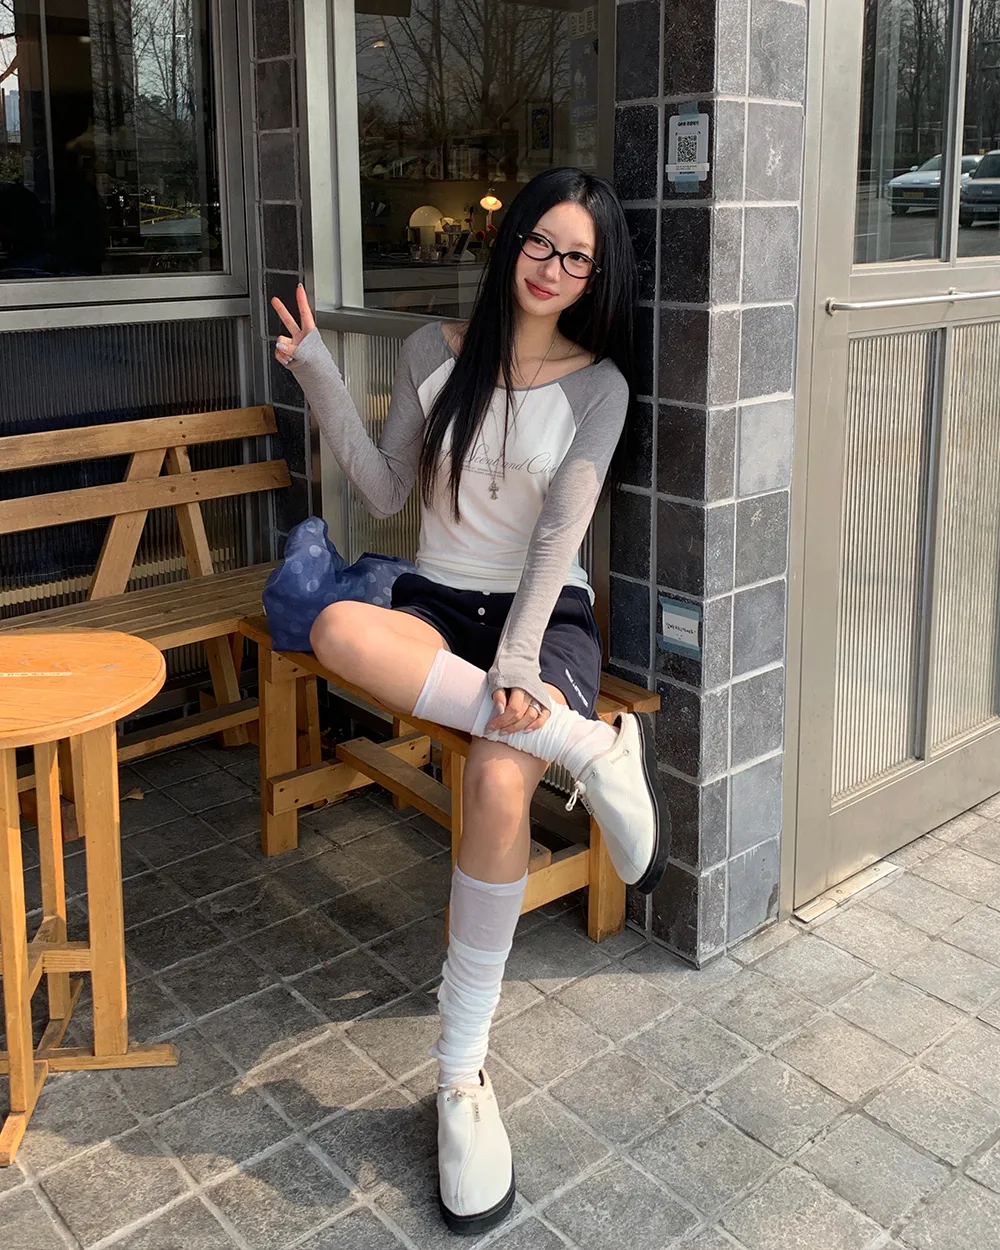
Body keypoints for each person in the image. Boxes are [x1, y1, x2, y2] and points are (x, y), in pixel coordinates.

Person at [272, 166, 670, 1236]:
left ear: (596, 276)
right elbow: (384, 489)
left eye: (577, 257)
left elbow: (558, 536)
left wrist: (520, 663)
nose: (553, 268)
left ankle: (459, 1078)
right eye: (540, 242)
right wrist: (317, 371)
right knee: (338, 627)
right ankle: (591, 749)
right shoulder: (430, 352)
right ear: (510, 241)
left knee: (497, 781)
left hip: (545, 613)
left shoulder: (599, 386)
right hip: (438, 602)